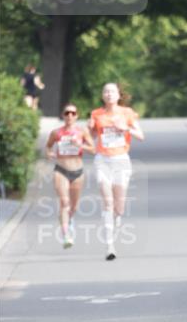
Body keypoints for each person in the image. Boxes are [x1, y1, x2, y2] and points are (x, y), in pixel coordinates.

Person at [89, 83, 144, 261]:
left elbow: (141, 136)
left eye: (112, 91)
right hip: (102, 160)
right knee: (107, 203)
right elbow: (89, 135)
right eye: (105, 91)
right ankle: (110, 246)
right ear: (102, 95)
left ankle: (118, 218)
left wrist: (125, 128)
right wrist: (88, 132)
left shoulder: (127, 113)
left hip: (121, 160)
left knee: (119, 207)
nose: (109, 94)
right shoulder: (96, 114)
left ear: (118, 95)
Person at [45, 104, 95, 248]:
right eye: (67, 113)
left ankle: (70, 220)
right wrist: (48, 153)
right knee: (64, 202)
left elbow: (93, 150)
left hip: (77, 172)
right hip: (61, 170)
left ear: (77, 116)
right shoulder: (56, 133)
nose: (70, 116)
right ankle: (66, 235)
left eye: (73, 113)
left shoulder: (82, 132)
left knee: (74, 206)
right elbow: (48, 146)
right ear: (63, 115)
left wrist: (80, 145)